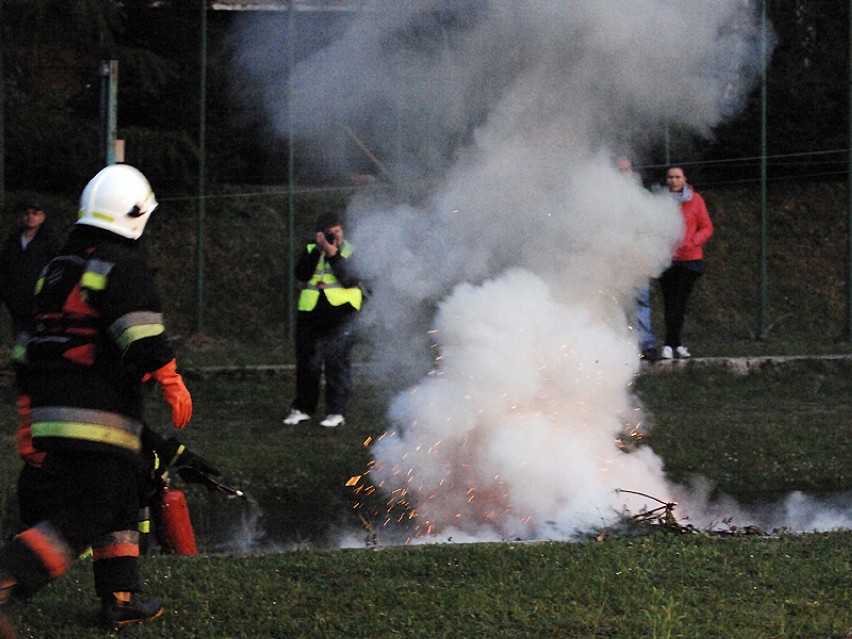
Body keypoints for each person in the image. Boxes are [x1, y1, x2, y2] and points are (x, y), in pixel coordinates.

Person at [0, 164, 193, 632]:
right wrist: (170, 378)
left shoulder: (57, 268)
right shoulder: (120, 265)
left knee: (121, 492)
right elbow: (140, 334)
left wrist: (28, 415)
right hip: (95, 410)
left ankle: (119, 596)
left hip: (52, 406)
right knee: (92, 509)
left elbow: (29, 343)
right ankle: (7, 577)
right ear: (134, 215)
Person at [283, 212, 362, 428]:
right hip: (311, 310)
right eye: (329, 233)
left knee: (336, 361)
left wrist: (333, 254)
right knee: (308, 361)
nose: (334, 236)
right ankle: (303, 408)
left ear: (342, 231)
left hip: (341, 311)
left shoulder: (351, 251)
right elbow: (301, 274)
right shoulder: (311, 249)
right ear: (319, 234)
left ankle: (336, 412)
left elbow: (350, 280)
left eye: (337, 232)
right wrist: (318, 249)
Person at [658, 166, 714, 359]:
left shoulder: (696, 200)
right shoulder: (660, 201)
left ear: (684, 179)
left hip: (690, 260)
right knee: (670, 302)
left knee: (679, 302)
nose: (674, 180)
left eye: (677, 177)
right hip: (667, 260)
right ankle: (671, 345)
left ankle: (673, 344)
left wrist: (692, 242)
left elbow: (706, 227)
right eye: (670, 177)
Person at [0, 202, 62, 340]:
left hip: (40, 305)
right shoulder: (13, 241)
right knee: (20, 341)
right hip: (16, 305)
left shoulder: (50, 242)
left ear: (42, 216)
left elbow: (57, 269)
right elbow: (4, 269)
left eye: (35, 213)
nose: (30, 217)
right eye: (27, 213)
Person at [617, 157, 658, 360]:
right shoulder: (606, 196)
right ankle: (617, 345)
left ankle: (646, 345)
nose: (624, 174)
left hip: (637, 256)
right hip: (613, 258)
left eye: (626, 170)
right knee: (615, 302)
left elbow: (653, 223)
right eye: (620, 171)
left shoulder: (643, 195)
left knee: (641, 301)